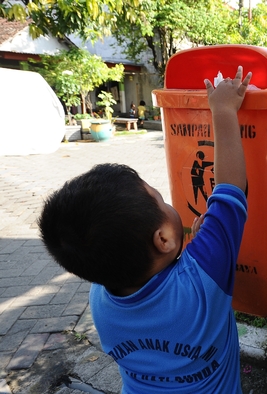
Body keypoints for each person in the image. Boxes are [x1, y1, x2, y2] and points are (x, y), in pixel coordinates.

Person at [38, 66, 252, 393]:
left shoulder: (102, 297)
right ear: (163, 239)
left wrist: (192, 246)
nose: (167, 203)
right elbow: (231, 189)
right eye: (160, 199)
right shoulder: (203, 280)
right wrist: (223, 109)